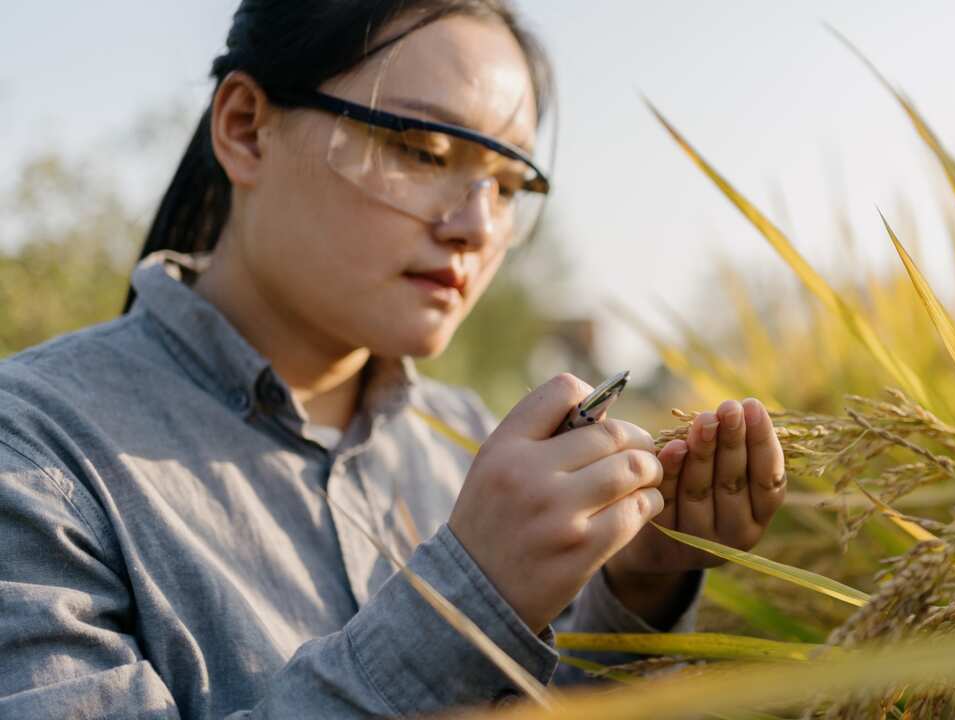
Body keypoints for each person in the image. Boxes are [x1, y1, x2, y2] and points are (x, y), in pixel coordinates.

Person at [0, 0, 787, 716]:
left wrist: (640, 587)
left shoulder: (475, 446)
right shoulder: (33, 453)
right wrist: (470, 601)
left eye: (509, 187)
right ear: (245, 127)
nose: (477, 226)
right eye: (422, 150)